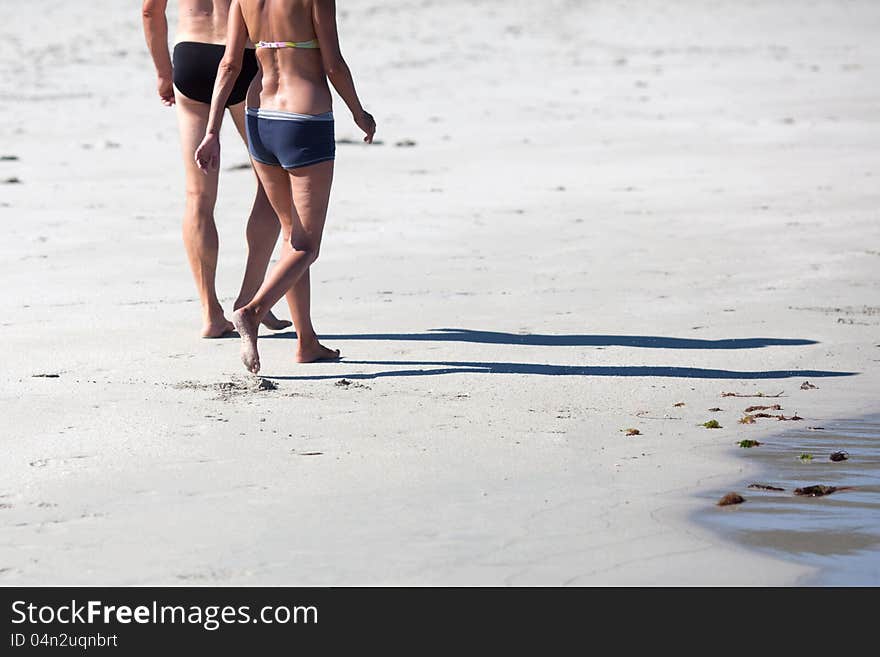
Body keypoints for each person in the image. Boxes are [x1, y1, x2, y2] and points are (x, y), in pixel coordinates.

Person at [195, 0, 375, 373]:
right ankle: (253, 310)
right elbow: (333, 64)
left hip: (259, 116)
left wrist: (213, 130)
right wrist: (359, 113)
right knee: (307, 246)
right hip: (303, 119)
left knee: (292, 239)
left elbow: (229, 65)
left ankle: (306, 341)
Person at [142, 0, 292, 337]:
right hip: (243, 57)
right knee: (272, 185)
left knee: (198, 195)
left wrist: (165, 73)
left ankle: (210, 312)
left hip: (190, 57)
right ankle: (251, 299)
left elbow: (150, 11)